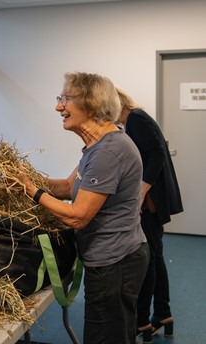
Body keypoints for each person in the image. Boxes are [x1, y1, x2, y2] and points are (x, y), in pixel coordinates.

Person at [14, 72, 149, 344]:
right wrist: (23, 178)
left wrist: (32, 190)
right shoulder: (98, 145)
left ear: (91, 104)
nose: (58, 106)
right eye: (59, 98)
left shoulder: (108, 152)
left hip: (115, 263)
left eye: (66, 98)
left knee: (106, 337)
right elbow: (66, 186)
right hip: (115, 258)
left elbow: (78, 217)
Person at [117, 88, 183, 343]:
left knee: (146, 260)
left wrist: (142, 191)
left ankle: (143, 320)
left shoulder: (136, 118)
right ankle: (162, 314)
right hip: (155, 204)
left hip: (152, 204)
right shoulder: (134, 119)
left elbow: (156, 153)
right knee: (154, 257)